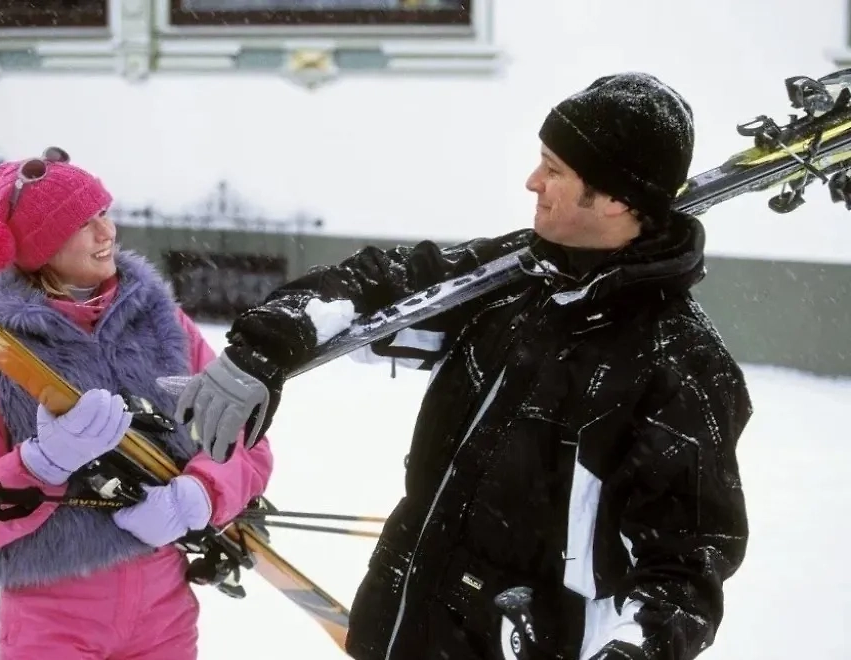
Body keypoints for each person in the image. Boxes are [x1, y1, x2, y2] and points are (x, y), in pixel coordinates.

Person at [176, 73, 753, 660]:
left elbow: (684, 570)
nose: (533, 181)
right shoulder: (517, 278)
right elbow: (381, 282)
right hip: (405, 626)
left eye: (554, 170)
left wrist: (630, 652)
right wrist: (263, 347)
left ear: (614, 198)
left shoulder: (682, 366)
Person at [0, 148, 274, 660]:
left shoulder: (163, 323)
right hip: (51, 615)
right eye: (82, 222)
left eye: (103, 212)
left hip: (163, 606)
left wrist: (200, 494)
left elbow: (241, 432)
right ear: (41, 248)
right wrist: (42, 462)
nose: (106, 232)